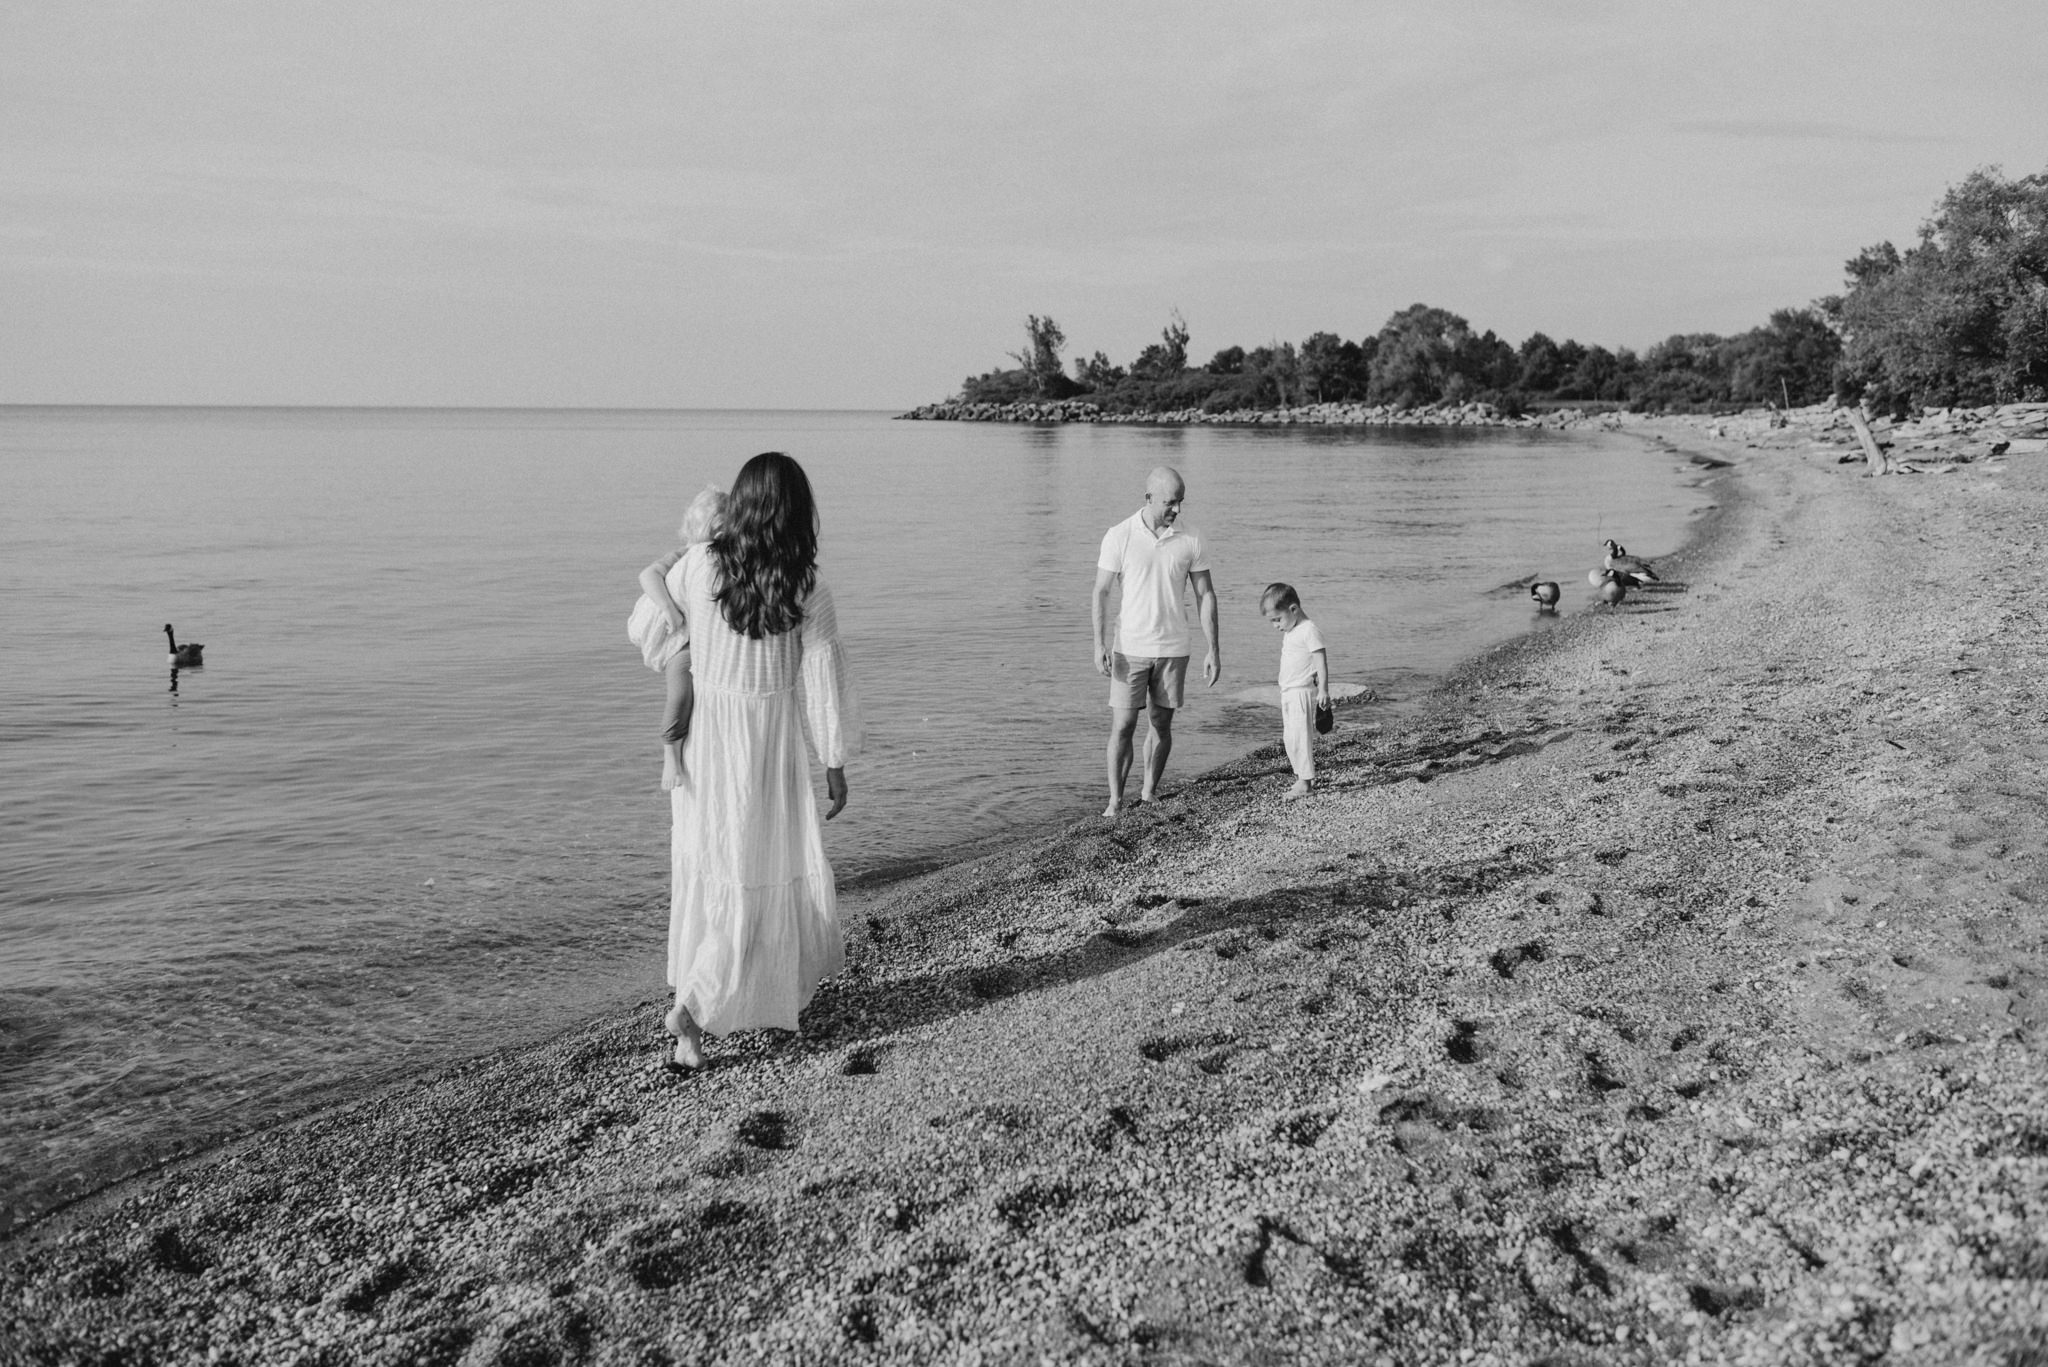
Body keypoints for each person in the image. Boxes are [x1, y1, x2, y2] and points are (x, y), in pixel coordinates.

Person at [661, 453, 859, 1069]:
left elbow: (647, 627)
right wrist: (833, 760)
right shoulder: (806, 588)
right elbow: (824, 683)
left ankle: (721, 996)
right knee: (751, 875)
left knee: (719, 867)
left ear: (742, 507)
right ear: (798, 512)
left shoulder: (700, 566)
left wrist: (685, 634)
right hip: (766, 748)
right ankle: (693, 1007)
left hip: (706, 744)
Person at [1091, 465, 1220, 816]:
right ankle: (1115, 802)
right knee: (1123, 725)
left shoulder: (1191, 537)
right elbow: (1101, 592)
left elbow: (1205, 594)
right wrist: (1099, 644)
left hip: (1174, 648)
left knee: (1161, 724)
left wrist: (1213, 649)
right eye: (1170, 502)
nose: (1177, 509)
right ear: (1148, 498)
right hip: (1129, 648)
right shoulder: (1119, 535)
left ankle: (1148, 792)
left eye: (1180, 502)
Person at [632, 486, 726, 791]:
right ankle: (670, 751)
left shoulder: (726, 557)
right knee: (681, 693)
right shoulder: (686, 554)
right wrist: (669, 609)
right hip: (681, 640)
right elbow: (648, 575)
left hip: (705, 638)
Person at [1260, 582, 1330, 801]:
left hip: (1301, 693)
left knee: (1301, 737)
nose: (1275, 626)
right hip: (1288, 692)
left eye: (1277, 619)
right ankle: (1301, 776)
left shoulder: (1309, 629)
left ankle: (1306, 783)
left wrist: (1324, 690)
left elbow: (1320, 661)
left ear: (1293, 609)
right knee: (1290, 738)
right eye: (1272, 621)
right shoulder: (1292, 630)